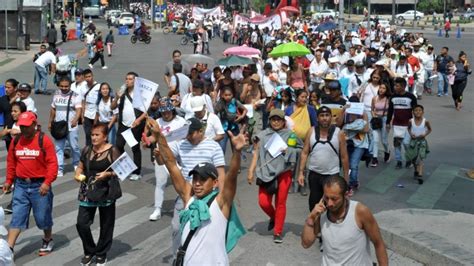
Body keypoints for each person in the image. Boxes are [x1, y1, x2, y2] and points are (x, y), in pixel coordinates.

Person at [147, 116, 247, 265]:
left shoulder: (220, 203)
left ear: (214, 182)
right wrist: (160, 136)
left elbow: (231, 177)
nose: (197, 184)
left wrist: (237, 153)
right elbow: (171, 164)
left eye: (203, 179)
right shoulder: (189, 198)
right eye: (195, 179)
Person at [3, 111, 58, 256]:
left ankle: (47, 238)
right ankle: (9, 249)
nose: (24, 129)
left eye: (27, 126)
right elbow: (11, 162)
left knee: (42, 217)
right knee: (17, 217)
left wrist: (47, 182)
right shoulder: (16, 141)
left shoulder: (44, 140)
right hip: (20, 185)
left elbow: (53, 164)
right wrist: (9, 180)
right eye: (22, 126)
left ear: (34, 124)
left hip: (39, 186)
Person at [301, 176, 388, 266]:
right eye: (326, 198)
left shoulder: (360, 212)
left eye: (334, 199)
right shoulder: (321, 213)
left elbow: (379, 244)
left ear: (345, 195)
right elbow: (306, 243)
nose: (330, 203)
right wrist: (311, 217)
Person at [247, 109, 303, 243]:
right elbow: (256, 153)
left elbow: (301, 149)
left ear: (284, 122)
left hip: (284, 173)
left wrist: (288, 150)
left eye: (279, 119)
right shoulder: (263, 135)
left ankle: (278, 231)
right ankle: (274, 217)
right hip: (266, 172)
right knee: (263, 202)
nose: (276, 122)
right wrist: (250, 171)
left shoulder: (290, 135)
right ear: (270, 121)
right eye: (273, 119)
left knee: (280, 203)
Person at [74, 123, 121, 266]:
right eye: (92, 135)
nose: (93, 137)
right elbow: (81, 166)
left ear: (105, 137)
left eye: (97, 135)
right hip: (87, 190)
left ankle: (101, 253)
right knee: (81, 223)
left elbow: (122, 170)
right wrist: (77, 173)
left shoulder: (113, 150)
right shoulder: (87, 150)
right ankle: (89, 250)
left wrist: (108, 174)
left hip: (106, 191)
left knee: (106, 225)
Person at [298, 106, 349, 211]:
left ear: (331, 117)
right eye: (322, 115)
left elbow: (344, 157)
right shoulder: (311, 131)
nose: (324, 118)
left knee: (331, 205)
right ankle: (316, 226)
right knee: (314, 205)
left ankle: (328, 226)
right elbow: (304, 152)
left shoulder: (339, 133)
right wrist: (301, 172)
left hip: (332, 175)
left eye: (327, 115)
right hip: (314, 174)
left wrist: (346, 178)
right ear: (317, 118)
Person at [145, 98, 187, 221]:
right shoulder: (157, 122)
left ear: (172, 110)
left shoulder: (181, 121)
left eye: (167, 111)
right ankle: (157, 209)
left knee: (181, 182)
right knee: (160, 183)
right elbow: (153, 137)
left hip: (178, 158)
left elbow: (186, 136)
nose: (165, 114)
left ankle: (185, 203)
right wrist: (146, 141)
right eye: (163, 112)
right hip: (161, 156)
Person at [111, 72, 146, 181]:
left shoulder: (140, 94)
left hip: (135, 125)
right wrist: (116, 97)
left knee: (135, 148)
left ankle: (137, 172)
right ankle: (125, 168)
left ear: (136, 81)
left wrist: (139, 120)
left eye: (130, 79)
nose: (128, 81)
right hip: (123, 124)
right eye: (126, 78)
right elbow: (112, 107)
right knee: (118, 146)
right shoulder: (122, 92)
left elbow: (146, 110)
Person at [48, 77, 82, 177]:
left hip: (71, 126)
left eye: (66, 86)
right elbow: (53, 109)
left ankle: (76, 164)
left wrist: (75, 120)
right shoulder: (56, 95)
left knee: (74, 146)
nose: (64, 88)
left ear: (70, 85)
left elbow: (79, 110)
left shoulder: (75, 96)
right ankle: (60, 168)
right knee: (59, 148)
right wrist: (50, 122)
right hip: (59, 126)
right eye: (61, 86)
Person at [386, 77, 418, 169]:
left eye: (397, 86)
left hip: (408, 125)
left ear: (403, 86)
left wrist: (416, 123)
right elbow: (390, 111)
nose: (395, 87)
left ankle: (409, 160)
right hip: (396, 124)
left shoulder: (411, 97)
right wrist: (388, 122)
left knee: (406, 143)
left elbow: (416, 111)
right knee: (397, 143)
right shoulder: (393, 97)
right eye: (395, 85)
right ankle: (399, 161)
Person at [342, 96, 370, 193]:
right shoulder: (346, 114)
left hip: (360, 145)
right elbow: (342, 127)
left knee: (354, 164)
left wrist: (364, 116)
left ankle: (351, 183)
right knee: (347, 164)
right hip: (348, 144)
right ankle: (352, 181)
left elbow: (366, 129)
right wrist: (343, 110)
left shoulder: (364, 113)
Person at [214, 87, 247, 153]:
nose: (228, 97)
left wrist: (241, 117)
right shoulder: (220, 103)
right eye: (226, 95)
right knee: (222, 149)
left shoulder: (234, 101)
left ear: (232, 95)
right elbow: (214, 114)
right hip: (224, 128)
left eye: (229, 95)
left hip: (234, 127)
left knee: (236, 148)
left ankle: (236, 162)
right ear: (222, 95)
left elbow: (245, 109)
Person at [406, 105, 432, 185]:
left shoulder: (425, 121)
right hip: (413, 142)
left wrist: (425, 135)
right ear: (413, 112)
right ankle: (416, 169)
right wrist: (411, 134)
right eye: (416, 110)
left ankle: (420, 174)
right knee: (413, 158)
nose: (418, 112)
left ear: (423, 112)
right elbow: (408, 128)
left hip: (422, 142)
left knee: (421, 157)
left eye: (420, 110)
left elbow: (430, 129)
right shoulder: (411, 121)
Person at [370, 83, 391, 166]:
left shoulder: (388, 99)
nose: (381, 90)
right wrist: (373, 115)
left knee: (384, 140)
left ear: (386, 90)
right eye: (380, 88)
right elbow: (372, 109)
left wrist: (389, 122)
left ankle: (387, 151)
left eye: (384, 88)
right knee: (375, 140)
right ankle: (374, 159)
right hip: (376, 119)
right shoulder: (374, 98)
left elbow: (391, 112)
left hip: (385, 119)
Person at [81, 69, 101, 146]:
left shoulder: (99, 87)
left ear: (92, 76)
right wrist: (82, 116)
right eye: (86, 77)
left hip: (97, 115)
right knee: (88, 135)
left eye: (89, 76)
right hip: (87, 115)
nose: (88, 78)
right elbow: (83, 102)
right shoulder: (83, 87)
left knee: (98, 135)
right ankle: (89, 152)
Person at [0, 79, 19, 149]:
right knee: (11, 155)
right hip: (7, 131)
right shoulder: (3, 99)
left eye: (8, 87)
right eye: (5, 87)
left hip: (20, 131)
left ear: (15, 88)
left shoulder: (21, 99)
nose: (6, 89)